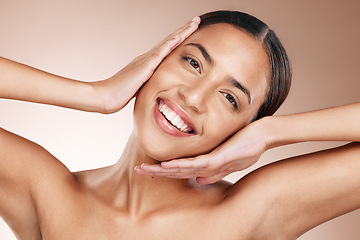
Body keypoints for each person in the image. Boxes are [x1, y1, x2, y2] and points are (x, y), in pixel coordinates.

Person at [0, 10, 359, 239]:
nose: (193, 97)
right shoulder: (46, 192)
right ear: (155, 60)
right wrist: (95, 94)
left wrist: (269, 133)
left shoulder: (252, 211)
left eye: (230, 98)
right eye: (193, 63)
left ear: (243, 129)